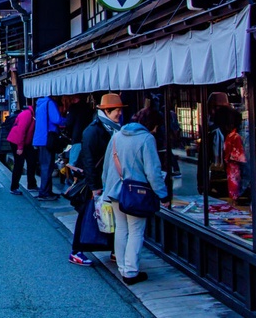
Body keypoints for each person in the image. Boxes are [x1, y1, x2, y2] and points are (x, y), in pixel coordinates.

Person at [100, 108, 170, 286]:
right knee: (136, 231)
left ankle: (123, 267)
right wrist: (163, 195)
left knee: (121, 229)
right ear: (152, 125)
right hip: (136, 193)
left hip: (115, 190)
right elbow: (153, 172)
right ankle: (130, 272)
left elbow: (107, 165)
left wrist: (105, 187)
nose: (155, 130)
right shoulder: (146, 139)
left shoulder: (117, 136)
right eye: (155, 127)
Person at [68, 93, 124, 266]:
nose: (119, 114)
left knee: (111, 215)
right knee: (87, 215)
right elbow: (89, 160)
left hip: (109, 179)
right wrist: (94, 186)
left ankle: (115, 249)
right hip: (95, 181)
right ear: (106, 111)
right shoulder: (94, 130)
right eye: (117, 111)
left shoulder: (113, 128)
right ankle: (76, 251)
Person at [32, 96, 64, 201]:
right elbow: (56, 119)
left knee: (45, 166)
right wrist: (67, 120)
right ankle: (45, 193)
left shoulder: (39, 104)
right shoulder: (50, 103)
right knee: (47, 166)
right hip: (47, 138)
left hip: (40, 138)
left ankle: (46, 191)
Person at [6, 104, 38, 195]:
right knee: (19, 164)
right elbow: (21, 131)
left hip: (26, 142)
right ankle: (14, 187)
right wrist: (20, 147)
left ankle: (32, 185)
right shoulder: (27, 114)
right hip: (17, 141)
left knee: (32, 161)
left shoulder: (31, 113)